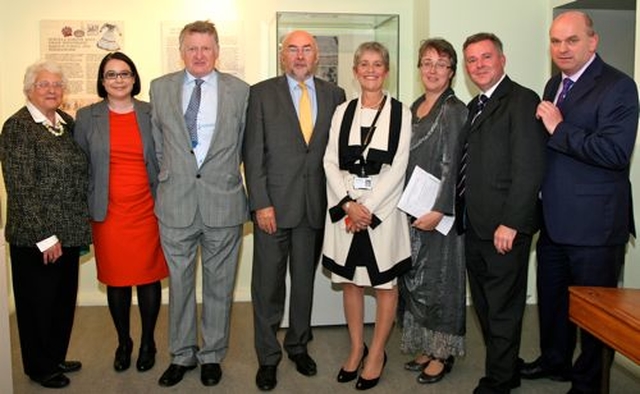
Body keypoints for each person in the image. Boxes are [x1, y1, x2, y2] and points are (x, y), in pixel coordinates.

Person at [520, 11, 639, 394]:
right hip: (553, 218)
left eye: (572, 40)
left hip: (595, 223)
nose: (562, 49)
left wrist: (559, 127)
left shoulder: (619, 87)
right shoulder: (555, 83)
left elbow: (615, 153)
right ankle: (556, 362)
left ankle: (589, 382)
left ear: (593, 41)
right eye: (556, 41)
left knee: (594, 314)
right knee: (554, 302)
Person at [243, 30, 345, 391]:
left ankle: (298, 345)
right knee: (268, 286)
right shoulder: (260, 93)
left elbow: (339, 156)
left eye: (307, 50)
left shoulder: (336, 96)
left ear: (317, 57)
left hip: (314, 206)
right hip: (273, 207)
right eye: (293, 49)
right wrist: (260, 203)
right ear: (282, 55)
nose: (300, 56)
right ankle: (268, 356)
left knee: (304, 283)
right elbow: (252, 154)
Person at [150, 20, 249, 387]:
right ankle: (181, 354)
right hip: (175, 202)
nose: (199, 55)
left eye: (206, 48)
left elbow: (244, 144)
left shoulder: (240, 91)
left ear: (217, 50)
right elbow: (159, 144)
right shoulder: (160, 89)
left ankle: (211, 355)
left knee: (220, 285)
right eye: (192, 48)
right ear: (182, 51)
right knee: (179, 284)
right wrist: (174, 173)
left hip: (222, 201)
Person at [322, 41, 412, 391]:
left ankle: (376, 353)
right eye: (364, 64)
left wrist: (367, 208)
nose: (371, 70)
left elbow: (399, 165)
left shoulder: (401, 113)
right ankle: (356, 347)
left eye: (378, 64)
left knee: (385, 285)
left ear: (386, 71)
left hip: (382, 212)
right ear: (355, 70)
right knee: (352, 283)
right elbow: (330, 161)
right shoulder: (342, 111)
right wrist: (347, 203)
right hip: (347, 208)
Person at [460, 33, 547, 394]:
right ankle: (507, 367)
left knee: (503, 309)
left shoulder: (522, 100)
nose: (479, 65)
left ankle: (499, 380)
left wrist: (511, 222)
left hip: (503, 228)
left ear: (502, 60)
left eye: (486, 57)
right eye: (472, 60)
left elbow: (529, 168)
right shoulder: (474, 106)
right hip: (475, 226)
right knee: (484, 304)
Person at [74, 52, 168, 373]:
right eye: (111, 75)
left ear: (134, 78)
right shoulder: (87, 117)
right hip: (108, 212)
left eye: (124, 74)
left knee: (148, 278)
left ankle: (147, 343)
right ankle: (124, 341)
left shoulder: (151, 112)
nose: (118, 80)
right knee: (116, 280)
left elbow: (166, 156)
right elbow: (80, 165)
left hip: (148, 210)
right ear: (102, 81)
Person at [0, 60, 91, 388]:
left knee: (62, 301)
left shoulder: (64, 122)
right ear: (29, 89)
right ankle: (38, 366)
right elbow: (20, 186)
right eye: (43, 84)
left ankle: (54, 356)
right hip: (36, 237)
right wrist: (44, 236)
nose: (51, 90)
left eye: (56, 85)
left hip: (67, 232)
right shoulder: (18, 126)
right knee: (36, 304)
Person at [397, 38, 467, 385]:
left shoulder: (454, 110)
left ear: (452, 72)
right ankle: (425, 345)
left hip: (440, 216)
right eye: (427, 62)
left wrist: (440, 210)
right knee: (416, 282)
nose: (433, 70)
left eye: (441, 64)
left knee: (441, 283)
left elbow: (454, 165)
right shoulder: (414, 107)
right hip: (411, 208)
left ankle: (442, 352)